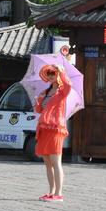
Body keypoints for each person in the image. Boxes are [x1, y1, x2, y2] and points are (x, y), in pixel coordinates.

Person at [34, 64, 71, 202]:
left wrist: (61, 71)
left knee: (56, 162)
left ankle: (58, 193)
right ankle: (51, 192)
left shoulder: (62, 91)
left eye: (53, 73)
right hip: (44, 129)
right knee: (47, 163)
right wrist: (38, 102)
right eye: (48, 73)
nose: (50, 75)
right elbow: (39, 110)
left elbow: (68, 85)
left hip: (56, 128)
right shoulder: (45, 92)